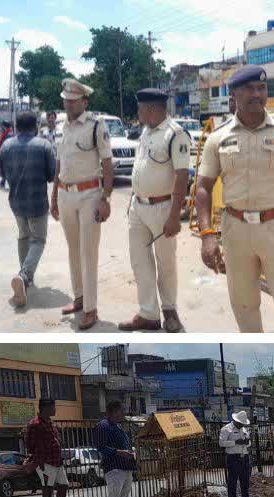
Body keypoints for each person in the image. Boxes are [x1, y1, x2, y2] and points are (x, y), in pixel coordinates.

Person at [195, 65, 274, 333]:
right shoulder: (218, 138)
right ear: (234, 95)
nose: (257, 94)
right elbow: (203, 187)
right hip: (235, 232)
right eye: (249, 89)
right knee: (244, 309)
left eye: (262, 88)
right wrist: (207, 234)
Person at [120, 88, 190, 333]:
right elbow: (141, 169)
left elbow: (182, 176)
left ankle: (170, 310)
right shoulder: (146, 132)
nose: (138, 113)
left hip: (163, 208)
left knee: (166, 262)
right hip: (138, 207)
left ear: (150, 108)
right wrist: (132, 199)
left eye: (140, 108)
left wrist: (174, 215)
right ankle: (149, 313)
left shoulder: (175, 134)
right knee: (140, 261)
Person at [53, 78, 114, 330]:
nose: (68, 104)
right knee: (72, 250)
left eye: (73, 101)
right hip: (66, 194)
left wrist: (105, 198)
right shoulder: (63, 127)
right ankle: (78, 298)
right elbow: (60, 164)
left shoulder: (95, 126)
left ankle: (91, 309)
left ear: (84, 102)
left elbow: (108, 163)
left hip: (90, 195)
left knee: (88, 254)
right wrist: (53, 197)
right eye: (65, 100)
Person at [0, 111, 57, 308]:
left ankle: (25, 279)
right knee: (38, 239)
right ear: (35, 126)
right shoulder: (44, 145)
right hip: (37, 202)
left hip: (16, 202)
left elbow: (1, 173)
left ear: (16, 126)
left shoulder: (6, 146)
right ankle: (24, 276)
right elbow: (51, 176)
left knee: (23, 236)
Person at [93, 401, 141, 497]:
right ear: (113, 412)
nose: (123, 413)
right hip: (114, 467)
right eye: (121, 411)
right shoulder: (103, 426)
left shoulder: (118, 426)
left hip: (126, 466)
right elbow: (101, 447)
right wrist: (120, 452)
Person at [22, 398, 68, 497]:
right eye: (53, 407)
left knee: (63, 485)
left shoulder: (50, 423)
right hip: (45, 461)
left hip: (57, 460)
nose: (55, 409)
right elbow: (30, 444)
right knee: (48, 487)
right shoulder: (35, 424)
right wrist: (37, 461)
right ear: (46, 408)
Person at [220, 410, 255, 497]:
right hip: (233, 458)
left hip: (244, 457)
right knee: (233, 482)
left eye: (243, 424)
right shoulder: (226, 429)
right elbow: (221, 443)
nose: (242, 425)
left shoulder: (244, 429)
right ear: (236, 421)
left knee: (245, 482)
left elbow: (249, 443)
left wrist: (247, 442)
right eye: (240, 424)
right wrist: (235, 442)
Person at [0, 122, 13, 190]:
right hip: (5, 151)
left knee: (6, 167)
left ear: (5, 126)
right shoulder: (6, 132)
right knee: (6, 167)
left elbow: (6, 142)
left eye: (2, 126)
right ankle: (2, 183)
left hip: (7, 152)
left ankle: (3, 183)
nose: (1, 127)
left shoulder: (9, 133)